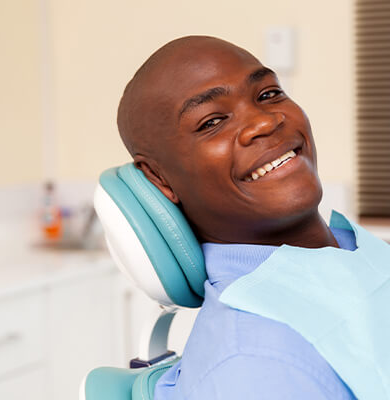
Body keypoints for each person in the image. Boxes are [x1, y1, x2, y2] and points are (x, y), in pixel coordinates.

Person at [117, 36, 358, 399]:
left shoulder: (354, 250)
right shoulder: (256, 365)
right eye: (212, 122)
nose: (263, 122)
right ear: (159, 178)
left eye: (267, 94)